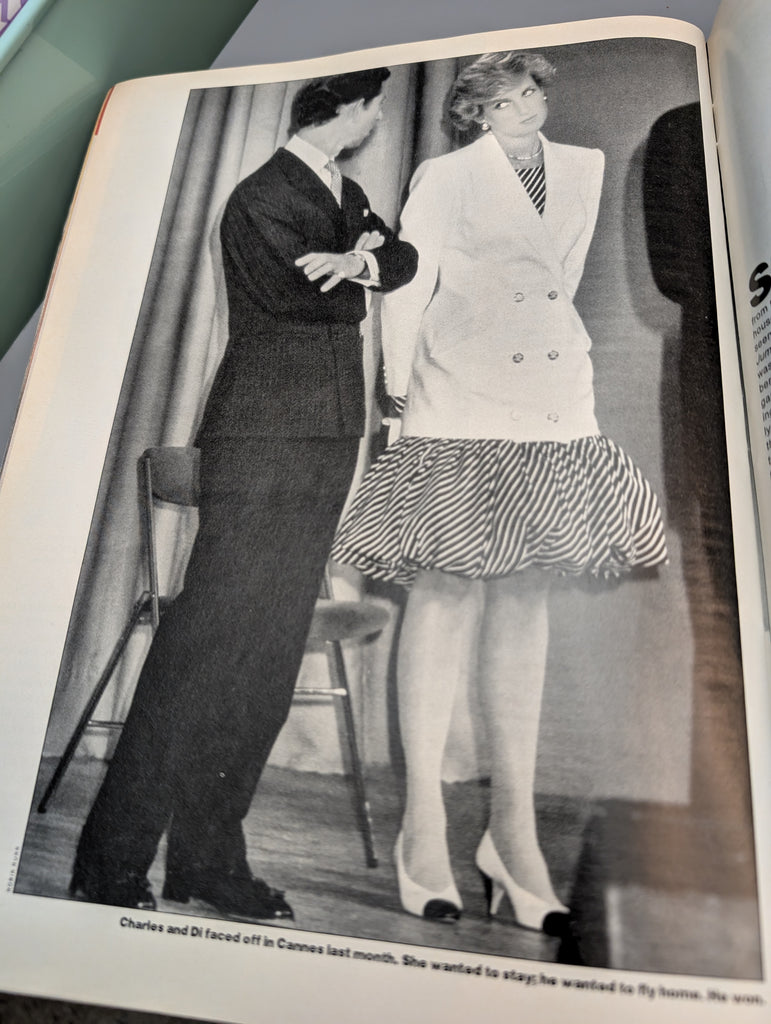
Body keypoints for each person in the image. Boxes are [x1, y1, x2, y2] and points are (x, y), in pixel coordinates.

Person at [70, 69, 418, 921]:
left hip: (326, 437)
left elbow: (402, 261)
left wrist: (361, 259)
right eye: (372, 104)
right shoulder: (262, 196)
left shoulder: (340, 192)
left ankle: (207, 862)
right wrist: (364, 262)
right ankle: (109, 861)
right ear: (345, 111)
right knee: (201, 650)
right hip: (261, 438)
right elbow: (309, 301)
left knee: (266, 658)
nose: (377, 117)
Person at [332, 52, 667, 931]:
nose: (524, 107)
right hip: (459, 394)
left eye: (531, 93)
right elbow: (407, 291)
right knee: (444, 590)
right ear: (473, 113)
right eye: (503, 99)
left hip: (549, 400)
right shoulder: (443, 178)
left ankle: (512, 840)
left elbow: (559, 282)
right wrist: (397, 400)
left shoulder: (582, 167)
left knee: (525, 595)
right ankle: (423, 830)